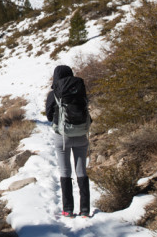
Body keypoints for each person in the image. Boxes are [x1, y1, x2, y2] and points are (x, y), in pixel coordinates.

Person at [45, 65, 90, 218]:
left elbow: (49, 116)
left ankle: (68, 210)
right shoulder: (79, 89)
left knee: (65, 172)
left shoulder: (54, 93)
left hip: (62, 137)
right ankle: (85, 210)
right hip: (82, 135)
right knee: (81, 171)